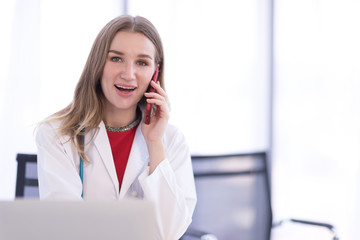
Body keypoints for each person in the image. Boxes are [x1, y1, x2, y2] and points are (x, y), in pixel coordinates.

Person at [35, 15, 197, 240]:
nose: (128, 74)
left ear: (155, 73)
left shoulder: (171, 141)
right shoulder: (56, 135)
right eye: (116, 59)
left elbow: (170, 232)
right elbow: (64, 227)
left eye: (142, 62)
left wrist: (154, 144)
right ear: (98, 63)